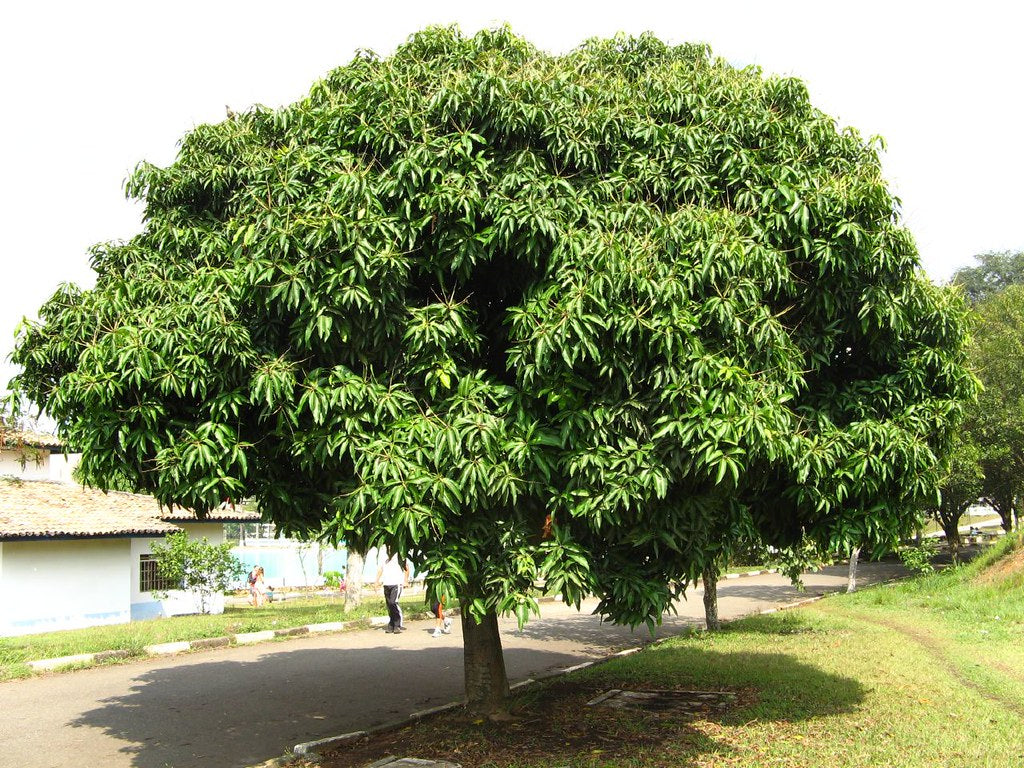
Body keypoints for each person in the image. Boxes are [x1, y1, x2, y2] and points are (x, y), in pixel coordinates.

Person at [375, 549, 409, 633]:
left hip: (396, 583)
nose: (389, 548)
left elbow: (406, 568)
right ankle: (391, 624)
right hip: (386, 584)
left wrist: (406, 580)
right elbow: (380, 569)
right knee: (389, 605)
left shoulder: (399, 555)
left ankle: (398, 624)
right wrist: (376, 581)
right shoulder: (383, 557)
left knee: (393, 603)